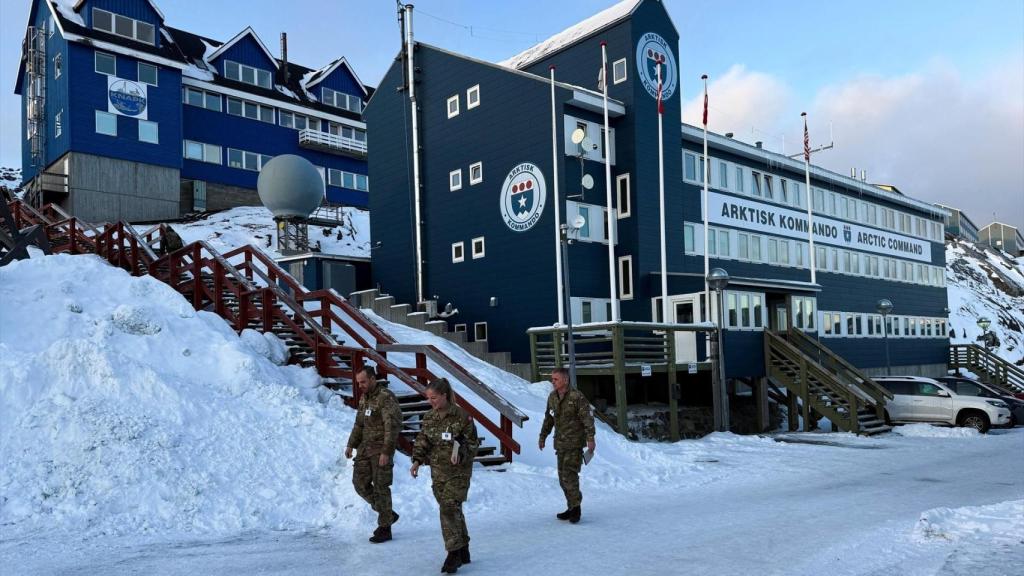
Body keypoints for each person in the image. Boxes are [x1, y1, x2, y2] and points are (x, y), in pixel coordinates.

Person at [410, 378, 479, 574]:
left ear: (444, 396)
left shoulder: (462, 417)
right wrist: (417, 460)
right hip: (438, 473)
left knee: (448, 507)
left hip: (458, 472)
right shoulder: (429, 417)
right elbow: (423, 440)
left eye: (434, 398)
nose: (430, 401)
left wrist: (462, 453)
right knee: (452, 509)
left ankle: (453, 553)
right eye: (428, 398)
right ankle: (464, 548)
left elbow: (473, 444)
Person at [345, 366, 403, 543]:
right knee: (359, 483)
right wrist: (351, 445)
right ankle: (387, 513)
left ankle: (385, 528)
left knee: (380, 487)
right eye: (358, 382)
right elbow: (359, 425)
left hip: (380, 450)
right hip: (364, 448)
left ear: (372, 379)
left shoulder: (385, 398)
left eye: (363, 382)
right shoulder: (364, 398)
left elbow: (392, 426)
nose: (360, 385)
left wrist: (387, 451)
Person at [538, 367, 596, 524]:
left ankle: (576, 509)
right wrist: (543, 436)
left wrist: (591, 438)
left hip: (575, 443)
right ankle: (571, 507)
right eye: (552, 379)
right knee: (562, 478)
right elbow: (549, 419)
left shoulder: (577, 397)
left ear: (565, 380)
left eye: (556, 379)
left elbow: (587, 419)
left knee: (569, 476)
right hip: (560, 444)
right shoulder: (552, 397)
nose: (553, 381)